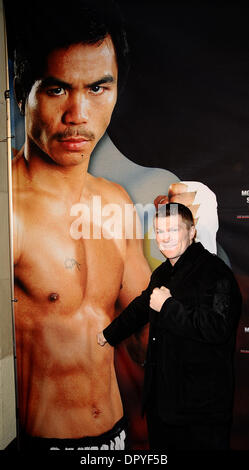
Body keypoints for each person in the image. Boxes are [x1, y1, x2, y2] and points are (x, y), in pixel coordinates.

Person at [7, 0, 218, 451]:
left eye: (99, 88)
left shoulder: (116, 203)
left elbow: (147, 348)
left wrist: (180, 253)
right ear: (22, 90)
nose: (79, 114)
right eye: (58, 89)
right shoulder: (8, 211)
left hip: (116, 440)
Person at [98, 202, 242, 450]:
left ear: (192, 231)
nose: (165, 238)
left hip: (200, 413)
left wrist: (168, 306)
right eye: (159, 231)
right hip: (163, 405)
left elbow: (218, 328)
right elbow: (142, 306)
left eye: (173, 230)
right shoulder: (164, 272)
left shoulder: (216, 272)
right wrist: (108, 334)